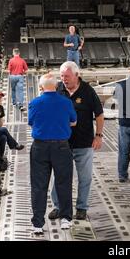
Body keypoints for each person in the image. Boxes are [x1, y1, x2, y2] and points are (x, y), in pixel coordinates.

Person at [48, 62, 105, 221]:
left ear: (76, 75)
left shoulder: (87, 91)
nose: (63, 79)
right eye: (61, 76)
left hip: (84, 143)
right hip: (61, 143)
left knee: (85, 177)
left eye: (66, 76)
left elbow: (99, 115)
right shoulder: (57, 89)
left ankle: (81, 208)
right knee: (59, 177)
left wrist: (99, 136)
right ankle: (58, 207)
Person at [28, 74, 77, 234]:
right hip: (62, 147)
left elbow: (31, 122)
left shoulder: (35, 103)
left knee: (38, 185)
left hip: (40, 148)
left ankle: (38, 224)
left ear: (41, 87)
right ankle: (65, 219)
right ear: (56, 86)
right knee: (63, 182)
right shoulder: (66, 102)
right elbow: (73, 121)